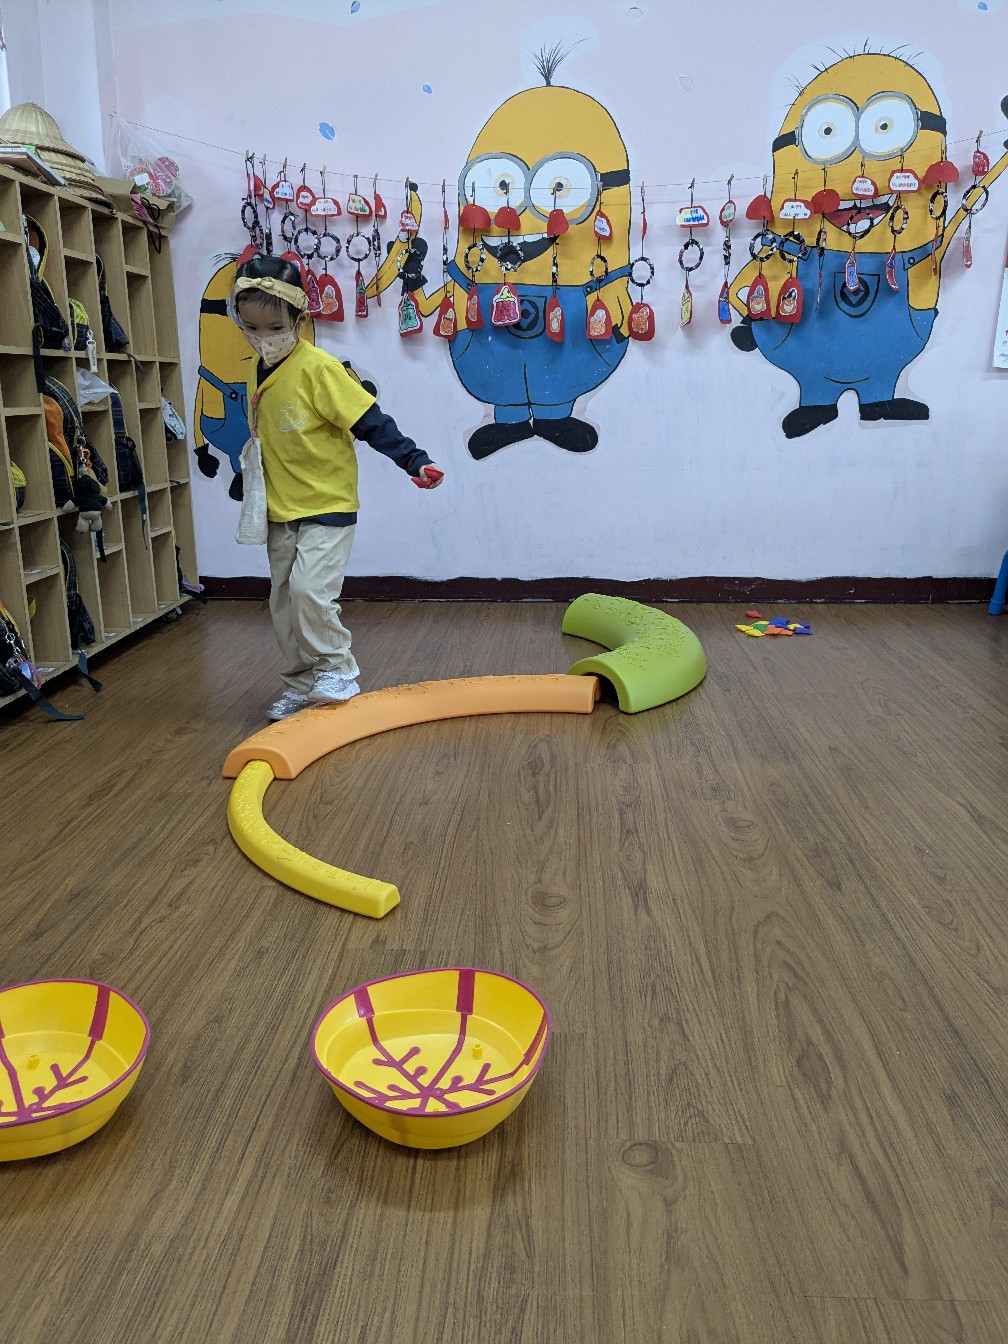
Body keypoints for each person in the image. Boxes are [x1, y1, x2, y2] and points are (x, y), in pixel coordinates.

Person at [231, 253, 443, 720]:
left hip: (327, 504)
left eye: (274, 328)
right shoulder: (255, 369)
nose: (264, 338)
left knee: (310, 592)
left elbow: (369, 419)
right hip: (280, 508)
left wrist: (413, 459)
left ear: (300, 319)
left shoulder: (319, 368)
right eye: (252, 328)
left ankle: (338, 669)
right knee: (284, 603)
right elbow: (265, 436)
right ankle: (302, 683)